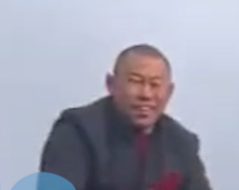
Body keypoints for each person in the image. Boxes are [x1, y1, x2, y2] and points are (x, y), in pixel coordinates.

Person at [38, 44, 213, 190]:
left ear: (169, 91)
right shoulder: (76, 131)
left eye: (155, 85)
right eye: (136, 81)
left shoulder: (182, 143)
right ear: (111, 84)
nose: (146, 94)